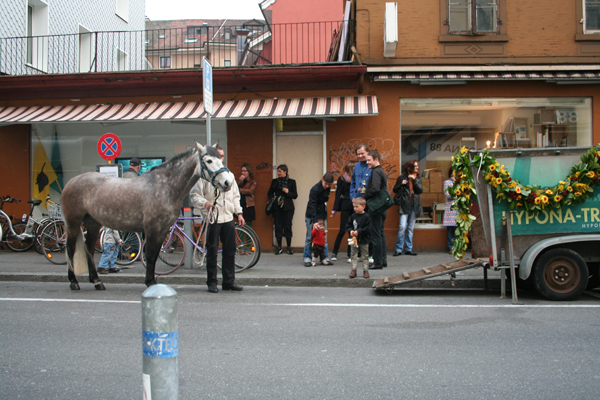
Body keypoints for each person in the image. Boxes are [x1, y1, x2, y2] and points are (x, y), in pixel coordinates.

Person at [190, 146, 244, 293]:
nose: (220, 158)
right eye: (218, 156)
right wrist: (205, 204)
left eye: (222, 156)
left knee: (230, 251)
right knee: (212, 251)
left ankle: (229, 282)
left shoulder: (229, 176)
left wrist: (239, 213)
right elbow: (194, 195)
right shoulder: (205, 177)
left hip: (227, 218)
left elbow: (235, 196)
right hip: (212, 219)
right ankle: (212, 282)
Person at [303, 172, 335, 267]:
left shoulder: (327, 188)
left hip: (321, 213)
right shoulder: (315, 189)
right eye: (326, 183)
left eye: (329, 184)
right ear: (322, 179)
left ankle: (324, 258)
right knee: (310, 237)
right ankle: (307, 258)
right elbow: (312, 205)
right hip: (312, 215)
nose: (327, 186)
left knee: (323, 238)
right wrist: (315, 221)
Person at [392, 159, 423, 257]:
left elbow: (420, 191)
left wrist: (413, 180)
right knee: (402, 227)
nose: (417, 167)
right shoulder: (402, 177)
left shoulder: (418, 178)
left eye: (417, 166)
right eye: (415, 166)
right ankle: (399, 249)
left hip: (414, 205)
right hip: (404, 205)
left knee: (410, 228)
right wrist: (401, 184)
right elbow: (395, 189)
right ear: (410, 167)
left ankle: (409, 249)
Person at [349, 143, 373, 264]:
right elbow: (353, 183)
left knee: (367, 229)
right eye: (358, 154)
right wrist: (352, 197)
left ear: (368, 152)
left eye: (362, 153)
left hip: (368, 202)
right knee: (356, 228)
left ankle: (370, 255)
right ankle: (357, 254)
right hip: (357, 203)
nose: (360, 156)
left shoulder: (371, 165)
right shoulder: (357, 166)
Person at [364, 150, 388, 270]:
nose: (367, 162)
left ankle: (377, 262)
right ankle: (382, 260)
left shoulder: (376, 172)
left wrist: (365, 195)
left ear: (376, 160)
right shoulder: (381, 171)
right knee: (381, 234)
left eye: (369, 160)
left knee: (375, 235)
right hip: (382, 208)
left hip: (375, 208)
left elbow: (375, 188)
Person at [267, 164, 298, 255]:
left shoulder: (292, 182)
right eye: (278, 171)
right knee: (278, 226)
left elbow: (295, 195)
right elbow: (269, 193)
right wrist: (273, 198)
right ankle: (279, 247)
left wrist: (288, 192)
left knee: (288, 226)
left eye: (280, 171)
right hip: (277, 207)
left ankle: (288, 247)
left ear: (285, 172)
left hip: (288, 208)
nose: (278, 173)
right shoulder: (275, 181)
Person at [331, 160, 356, 262]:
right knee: (342, 230)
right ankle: (334, 252)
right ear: (350, 169)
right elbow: (338, 195)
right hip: (345, 205)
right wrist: (335, 209)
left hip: (355, 206)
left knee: (352, 231)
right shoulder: (342, 179)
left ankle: (350, 253)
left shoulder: (357, 178)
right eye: (354, 168)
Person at [346, 197, 371, 279]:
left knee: (365, 256)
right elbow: (348, 225)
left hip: (364, 239)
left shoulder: (367, 216)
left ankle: (365, 270)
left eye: (357, 207)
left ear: (363, 207)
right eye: (354, 206)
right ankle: (353, 270)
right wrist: (350, 231)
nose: (355, 208)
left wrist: (359, 232)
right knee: (353, 254)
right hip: (354, 239)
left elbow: (368, 228)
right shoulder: (353, 216)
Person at [238, 163, 257, 227]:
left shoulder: (253, 181)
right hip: (240, 204)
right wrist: (239, 181)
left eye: (245, 171)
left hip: (248, 205)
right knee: (240, 224)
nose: (243, 172)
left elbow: (250, 191)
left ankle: (249, 237)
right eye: (242, 171)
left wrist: (240, 191)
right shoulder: (241, 180)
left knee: (248, 225)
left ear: (249, 171)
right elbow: (235, 189)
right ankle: (240, 237)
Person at [443, 167, 457, 254]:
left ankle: (458, 247)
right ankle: (451, 247)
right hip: (450, 209)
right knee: (450, 229)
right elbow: (447, 195)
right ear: (451, 173)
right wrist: (457, 194)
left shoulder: (461, 183)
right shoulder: (447, 182)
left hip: (459, 209)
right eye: (454, 172)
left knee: (458, 229)